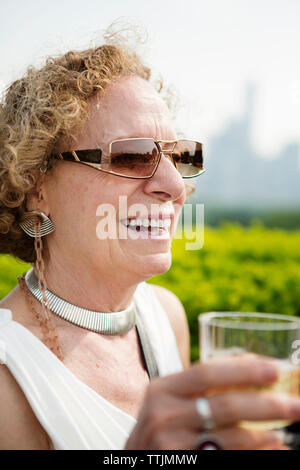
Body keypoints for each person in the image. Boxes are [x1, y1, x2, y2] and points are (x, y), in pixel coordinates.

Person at [0, 32, 299, 450]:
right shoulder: (7, 376)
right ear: (35, 186)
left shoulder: (165, 316)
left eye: (177, 156)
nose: (175, 185)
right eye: (131, 155)